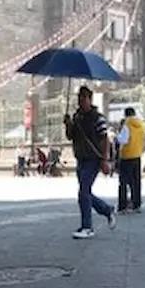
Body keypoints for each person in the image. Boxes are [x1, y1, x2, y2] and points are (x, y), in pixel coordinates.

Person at [63, 86, 115, 239]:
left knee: (83, 192)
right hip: (80, 158)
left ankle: (87, 227)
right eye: (79, 97)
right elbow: (70, 136)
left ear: (90, 99)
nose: (81, 100)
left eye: (84, 97)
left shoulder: (98, 117)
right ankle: (107, 210)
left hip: (93, 159)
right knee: (85, 193)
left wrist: (105, 160)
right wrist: (68, 124)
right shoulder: (76, 117)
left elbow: (105, 139)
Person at [116, 107, 145, 213]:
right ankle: (136, 204)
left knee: (123, 182)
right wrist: (141, 150)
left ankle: (123, 206)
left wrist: (117, 137)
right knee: (136, 181)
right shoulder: (142, 125)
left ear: (125, 115)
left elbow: (123, 139)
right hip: (137, 156)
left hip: (126, 156)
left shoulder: (127, 124)